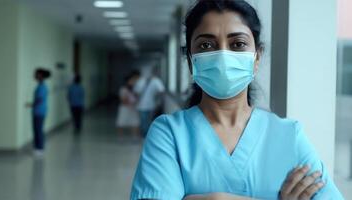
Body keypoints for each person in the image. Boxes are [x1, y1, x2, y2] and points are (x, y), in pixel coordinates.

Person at [130, 1, 344, 200]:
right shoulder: (169, 133)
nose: (223, 55)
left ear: (257, 57)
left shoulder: (289, 135)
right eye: (206, 45)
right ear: (190, 61)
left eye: (238, 44)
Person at [134, 66, 165, 138]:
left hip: (141, 105)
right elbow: (162, 91)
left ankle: (145, 135)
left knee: (143, 121)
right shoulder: (156, 81)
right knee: (150, 121)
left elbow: (136, 93)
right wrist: (156, 98)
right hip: (152, 105)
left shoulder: (140, 81)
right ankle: (150, 135)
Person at [29, 68, 51, 156]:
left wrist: (32, 105)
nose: (34, 75)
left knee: (38, 130)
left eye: (36, 74)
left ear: (40, 75)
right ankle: (37, 148)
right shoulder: (40, 86)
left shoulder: (42, 87)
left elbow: (39, 99)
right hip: (38, 111)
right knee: (37, 129)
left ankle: (40, 148)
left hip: (39, 111)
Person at [116, 71, 141, 138]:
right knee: (121, 122)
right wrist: (130, 102)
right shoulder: (123, 89)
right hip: (125, 108)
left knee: (135, 122)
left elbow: (137, 97)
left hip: (133, 108)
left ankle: (135, 136)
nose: (133, 82)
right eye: (131, 81)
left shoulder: (135, 89)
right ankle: (120, 136)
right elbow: (123, 100)